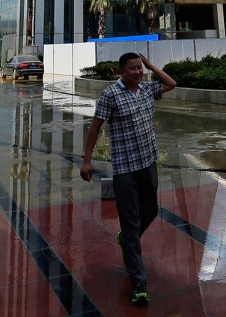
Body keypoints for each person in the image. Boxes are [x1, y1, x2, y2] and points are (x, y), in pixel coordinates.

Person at [80, 51, 176, 306]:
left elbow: (171, 84)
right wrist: (87, 160)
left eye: (139, 68)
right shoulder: (110, 95)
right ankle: (139, 282)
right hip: (125, 168)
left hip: (148, 162)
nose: (137, 72)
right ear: (120, 71)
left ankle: (127, 238)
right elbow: (95, 127)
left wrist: (150, 64)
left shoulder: (146, 90)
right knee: (131, 222)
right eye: (132, 69)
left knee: (152, 210)